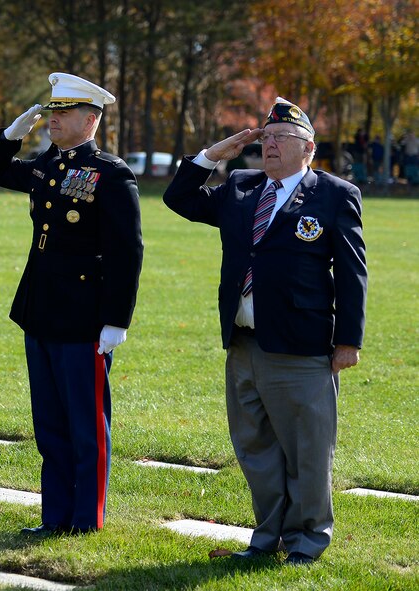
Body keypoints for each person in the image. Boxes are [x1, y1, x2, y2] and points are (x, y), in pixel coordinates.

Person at [163, 98, 367, 565]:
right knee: (255, 449)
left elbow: (353, 273)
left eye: (282, 139)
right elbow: (179, 199)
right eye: (266, 137)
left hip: (301, 347)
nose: (270, 145)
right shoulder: (241, 186)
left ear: (308, 148)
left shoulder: (334, 194)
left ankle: (307, 541)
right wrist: (214, 155)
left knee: (307, 453)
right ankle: (266, 537)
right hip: (243, 343)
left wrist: (348, 341)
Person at [0, 73, 143, 536]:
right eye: (51, 111)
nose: (52, 119)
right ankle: (54, 515)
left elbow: (126, 250)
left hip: (83, 316)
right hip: (41, 309)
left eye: (63, 112)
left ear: (90, 119)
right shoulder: (48, 165)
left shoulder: (110, 173)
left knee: (84, 425)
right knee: (49, 422)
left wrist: (116, 319)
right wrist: (12, 135)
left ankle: (84, 518)